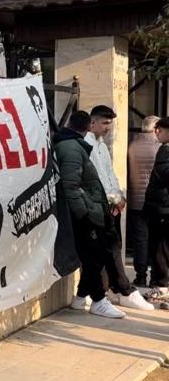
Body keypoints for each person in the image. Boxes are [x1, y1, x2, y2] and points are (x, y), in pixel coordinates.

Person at [55, 111, 126, 318]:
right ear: (88, 127)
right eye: (104, 123)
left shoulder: (73, 145)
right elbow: (71, 186)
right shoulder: (72, 148)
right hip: (84, 213)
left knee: (95, 255)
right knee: (93, 256)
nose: (107, 127)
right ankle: (98, 300)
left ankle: (80, 298)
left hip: (91, 209)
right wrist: (84, 214)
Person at [84, 105, 153, 310]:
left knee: (110, 249)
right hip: (98, 206)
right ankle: (123, 289)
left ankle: (103, 290)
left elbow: (110, 174)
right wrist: (112, 199)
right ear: (92, 122)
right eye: (105, 123)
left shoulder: (102, 146)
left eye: (110, 124)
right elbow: (95, 179)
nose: (108, 127)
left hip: (110, 205)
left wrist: (118, 196)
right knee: (107, 250)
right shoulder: (87, 145)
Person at [127, 116, 161, 287]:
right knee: (156, 241)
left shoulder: (131, 146)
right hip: (155, 202)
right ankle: (156, 277)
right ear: (156, 129)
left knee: (140, 240)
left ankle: (140, 276)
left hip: (135, 201)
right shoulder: (160, 147)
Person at [143, 116, 169, 293]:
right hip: (162, 206)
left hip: (162, 207)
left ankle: (161, 285)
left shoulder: (165, 150)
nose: (156, 133)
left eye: (160, 130)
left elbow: (164, 173)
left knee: (160, 247)